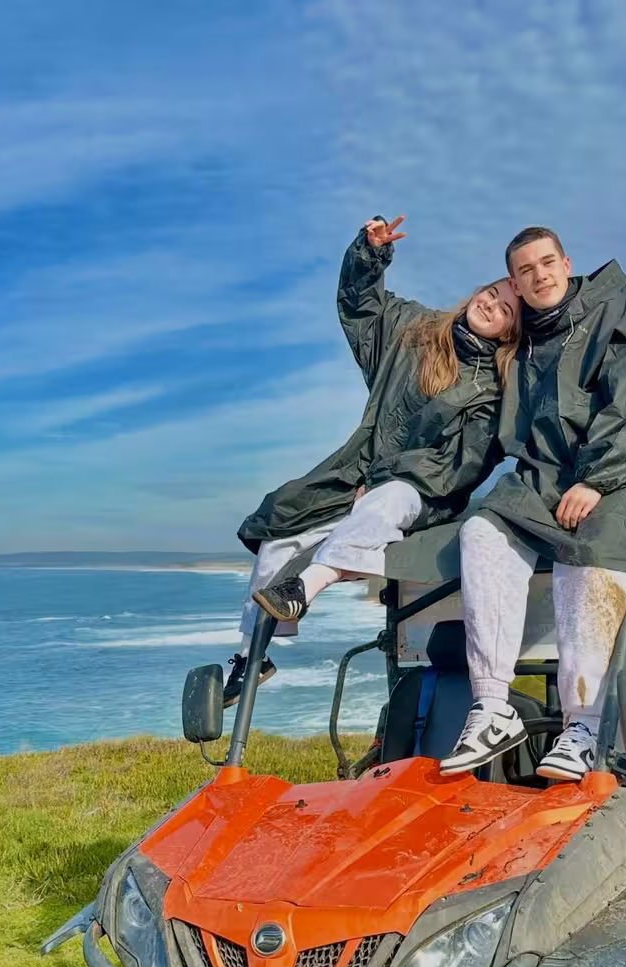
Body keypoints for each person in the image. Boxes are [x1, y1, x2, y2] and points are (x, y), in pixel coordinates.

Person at [223, 215, 520, 706]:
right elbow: (362, 307)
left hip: (425, 491)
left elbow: (463, 463)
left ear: (510, 333)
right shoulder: (415, 331)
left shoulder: (494, 388)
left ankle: (307, 585)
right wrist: (369, 253)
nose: (491, 304)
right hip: (357, 470)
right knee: (281, 526)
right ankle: (252, 656)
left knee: (387, 500)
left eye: (506, 309)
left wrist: (386, 477)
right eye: (490, 293)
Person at [440, 226, 626, 780]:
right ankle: (491, 706)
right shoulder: (522, 344)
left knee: (586, 555)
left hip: (624, 476)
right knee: (482, 529)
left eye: (547, 263)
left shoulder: (614, 316)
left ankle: (582, 726)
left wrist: (597, 478)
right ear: (515, 284)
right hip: (549, 480)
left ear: (567, 263)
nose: (539, 275)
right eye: (525, 271)